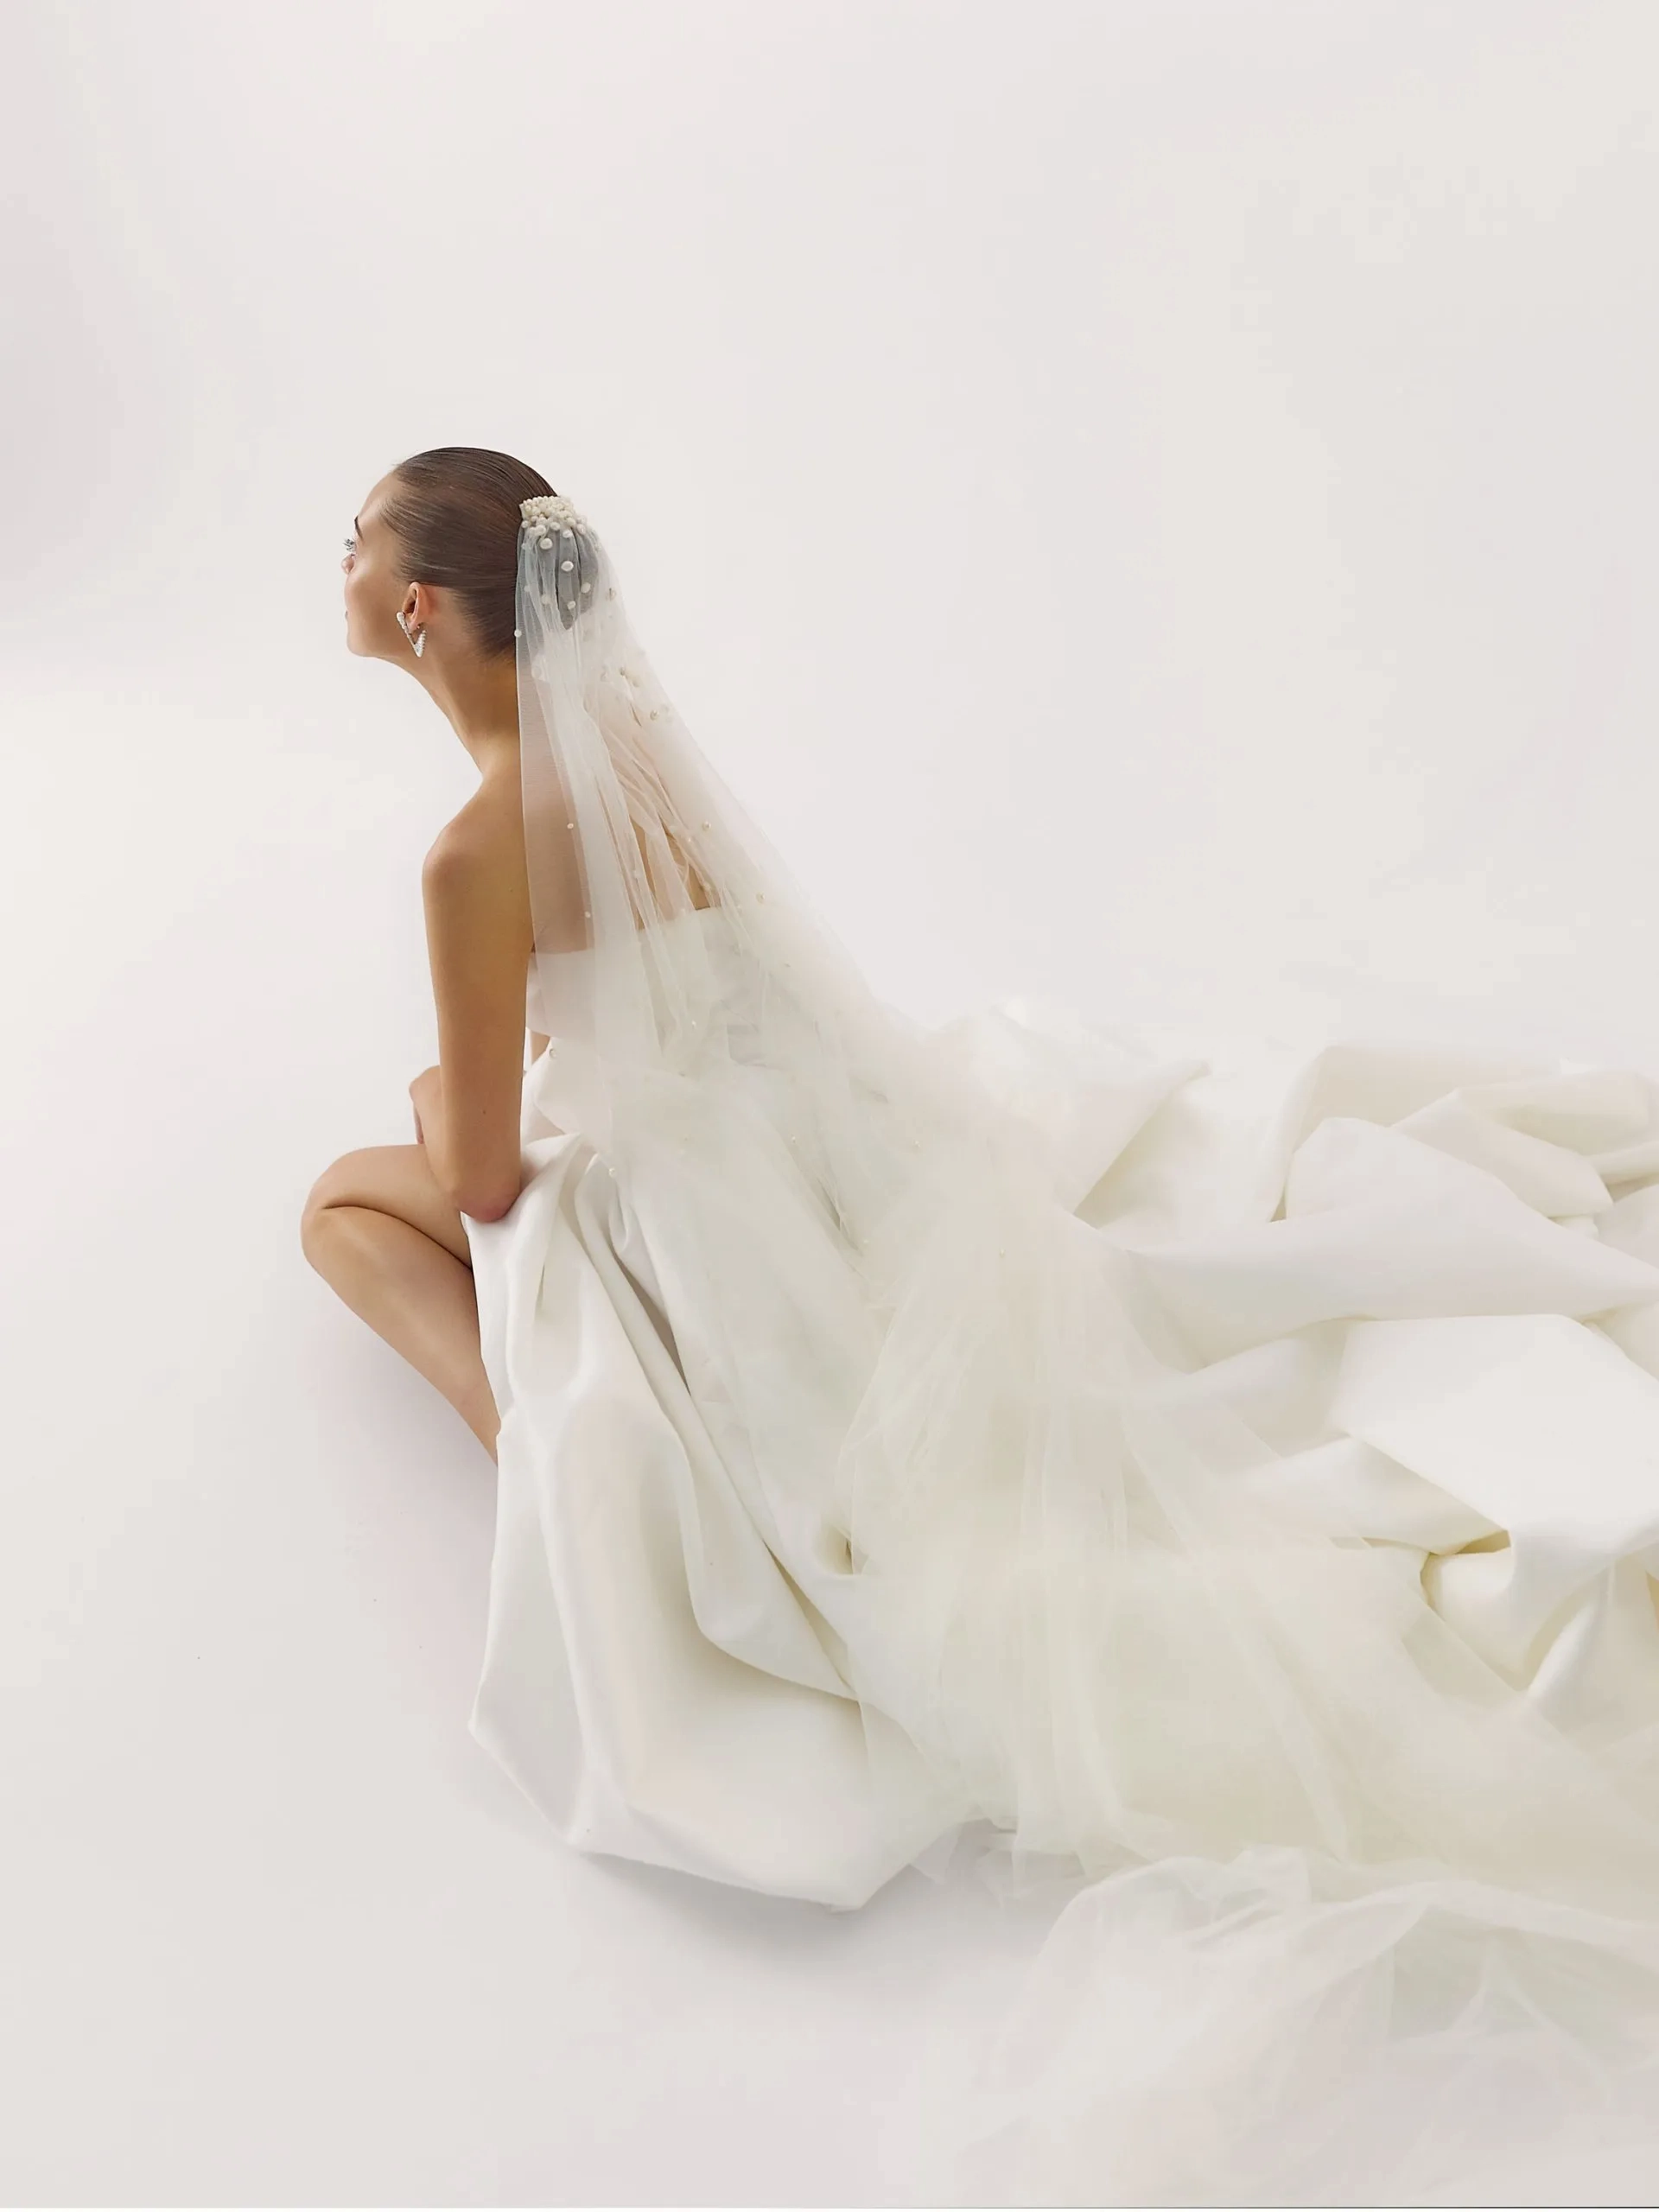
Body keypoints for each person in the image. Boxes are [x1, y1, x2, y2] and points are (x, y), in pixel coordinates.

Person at [304, 446, 1659, 2206]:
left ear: (419, 607)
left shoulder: (473, 849)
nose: (339, 565)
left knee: (347, 1206)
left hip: (685, 1212)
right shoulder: (632, 747)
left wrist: (442, 1101)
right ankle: (589, 1450)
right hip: (818, 1156)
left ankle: (547, 1459)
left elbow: (484, 1178)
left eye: (354, 544)